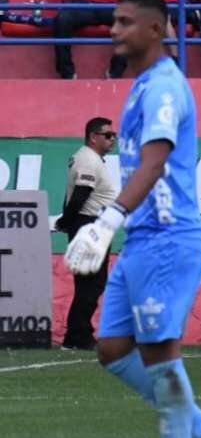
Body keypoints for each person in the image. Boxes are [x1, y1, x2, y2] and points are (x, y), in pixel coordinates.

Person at [63, 0, 201, 438]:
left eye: (123, 22)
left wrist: (105, 221)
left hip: (165, 234)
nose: (113, 30)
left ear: (156, 30)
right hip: (144, 237)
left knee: (161, 352)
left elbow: (155, 164)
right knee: (114, 349)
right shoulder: (141, 85)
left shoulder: (164, 88)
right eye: (112, 21)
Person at [57, 118, 121, 350]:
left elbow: (72, 194)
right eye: (108, 135)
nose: (112, 139)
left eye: (113, 135)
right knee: (90, 284)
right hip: (89, 225)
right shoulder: (88, 160)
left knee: (92, 283)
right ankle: (79, 336)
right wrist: (67, 220)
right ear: (93, 137)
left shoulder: (88, 158)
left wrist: (67, 220)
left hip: (89, 224)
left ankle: (77, 335)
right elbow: (80, 195)